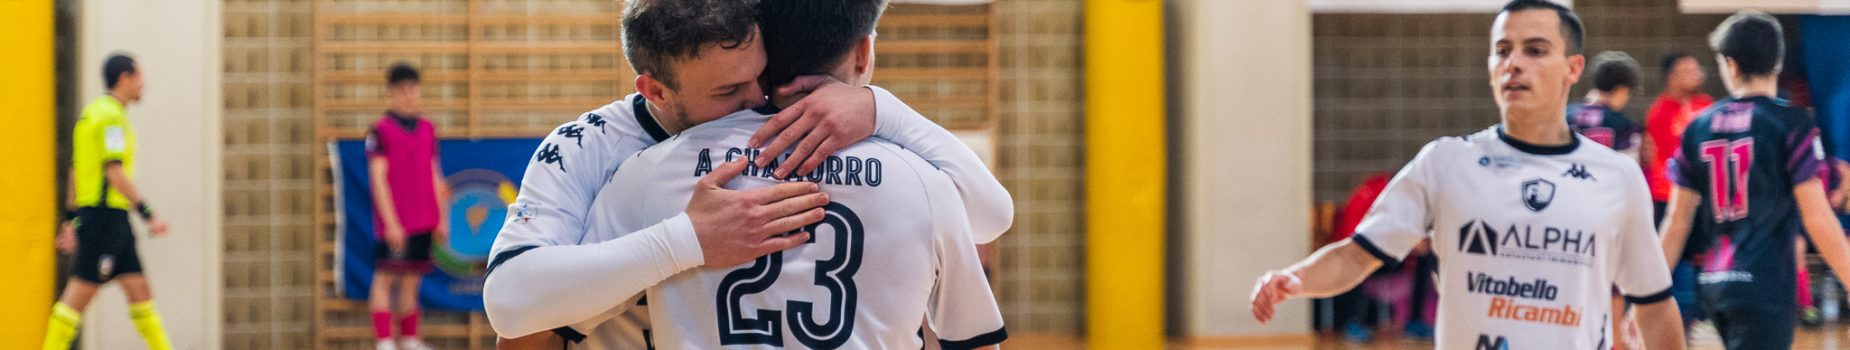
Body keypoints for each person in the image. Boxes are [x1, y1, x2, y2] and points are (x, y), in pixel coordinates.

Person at [482, 0, 1013, 347]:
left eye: (760, 76)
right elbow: (513, 313)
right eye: (727, 93)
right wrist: (686, 240)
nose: (758, 102)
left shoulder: (815, 123)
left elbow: (987, 217)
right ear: (656, 91)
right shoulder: (594, 150)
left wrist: (880, 107)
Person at [1247, 2, 1685, 349]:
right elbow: (1357, 255)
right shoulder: (1445, 162)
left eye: (1535, 50)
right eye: (1502, 51)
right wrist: (1298, 278)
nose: (1514, 63)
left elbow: (1653, 304)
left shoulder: (1617, 176)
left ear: (1572, 68)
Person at [1657, 12, 1850, 349]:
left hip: (1714, 284)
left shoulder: (1698, 127)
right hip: (1766, 284)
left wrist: (1648, 295)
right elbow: (1817, 219)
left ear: (1729, 64)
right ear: (1776, 64)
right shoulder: (1791, 124)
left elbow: (1676, 222)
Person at [42, 53, 174, 350]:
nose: (144, 84)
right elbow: (113, 171)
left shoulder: (91, 115)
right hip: (105, 219)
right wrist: (147, 212)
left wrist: (69, 220)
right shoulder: (112, 117)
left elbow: (76, 171)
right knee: (76, 297)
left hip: (106, 219)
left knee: (139, 290)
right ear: (124, 78)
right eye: (140, 77)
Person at [364, 63, 448, 350]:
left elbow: (436, 174)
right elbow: (378, 179)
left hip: (423, 218)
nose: (409, 95)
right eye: (402, 90)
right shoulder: (380, 131)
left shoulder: (427, 128)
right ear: (391, 93)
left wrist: (442, 218)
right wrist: (390, 223)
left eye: (413, 88)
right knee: (385, 278)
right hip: (397, 220)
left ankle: (410, 339)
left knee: (412, 280)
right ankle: (384, 341)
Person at [1567, 51, 1643, 159]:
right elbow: (1629, 166)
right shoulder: (1623, 124)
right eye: (1627, 93)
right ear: (1621, 89)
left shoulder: (1565, 115)